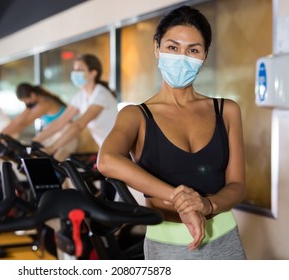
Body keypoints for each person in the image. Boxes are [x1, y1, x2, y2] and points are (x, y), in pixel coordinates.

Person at [97, 5, 246, 260]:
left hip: (225, 238)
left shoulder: (226, 110)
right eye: (173, 47)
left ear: (205, 55)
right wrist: (179, 199)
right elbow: (107, 160)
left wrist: (207, 204)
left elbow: (237, 186)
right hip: (166, 244)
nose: (182, 57)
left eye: (193, 50)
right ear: (157, 48)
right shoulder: (136, 116)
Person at [33, 53, 118, 157]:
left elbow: (79, 125)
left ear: (93, 73)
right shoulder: (81, 96)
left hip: (120, 146)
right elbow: (61, 121)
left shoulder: (101, 94)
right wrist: (35, 141)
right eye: (74, 69)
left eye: (80, 70)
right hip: (107, 147)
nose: (75, 73)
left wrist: (52, 148)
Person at [1, 82, 78, 161]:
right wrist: (2, 133)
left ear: (32, 95)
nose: (26, 103)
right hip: (55, 135)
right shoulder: (39, 101)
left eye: (25, 100)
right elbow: (18, 120)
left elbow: (23, 124)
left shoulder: (44, 104)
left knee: (48, 162)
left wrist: (4, 135)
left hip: (66, 136)